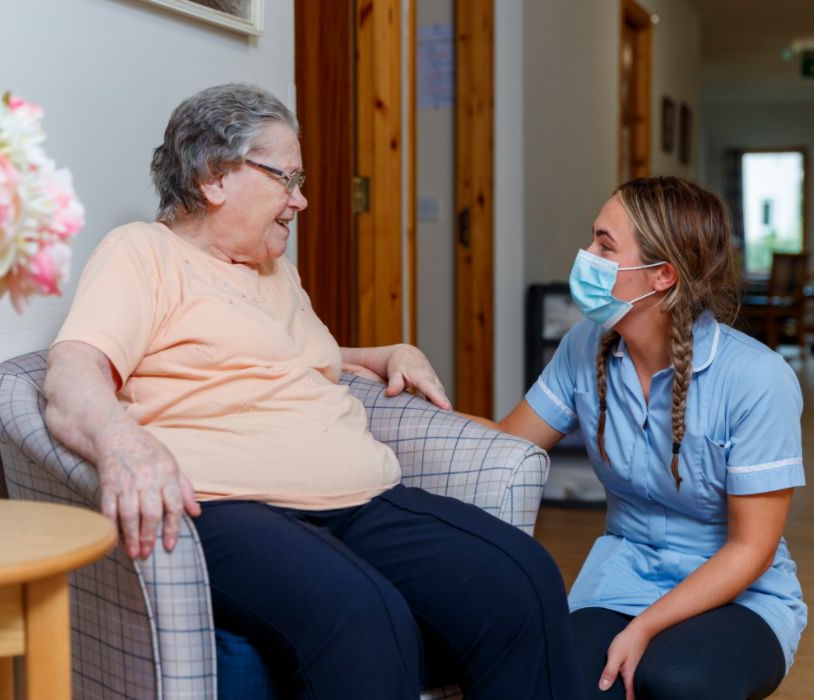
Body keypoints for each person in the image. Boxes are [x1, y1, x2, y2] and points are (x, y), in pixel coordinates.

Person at [43, 83, 579, 699]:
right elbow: (72, 370)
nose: (299, 201)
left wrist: (376, 354)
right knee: (364, 615)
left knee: (523, 577)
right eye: (286, 179)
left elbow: (278, 355)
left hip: (361, 498)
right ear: (216, 177)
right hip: (229, 506)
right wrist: (121, 442)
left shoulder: (274, 268)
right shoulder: (143, 254)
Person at [497, 176, 806, 699]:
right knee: (560, 681)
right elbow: (506, 446)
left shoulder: (757, 378)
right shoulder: (584, 346)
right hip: (623, 576)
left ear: (662, 276)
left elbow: (751, 549)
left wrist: (643, 628)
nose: (586, 255)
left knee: (676, 681)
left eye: (604, 244)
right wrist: (406, 403)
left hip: (741, 593)